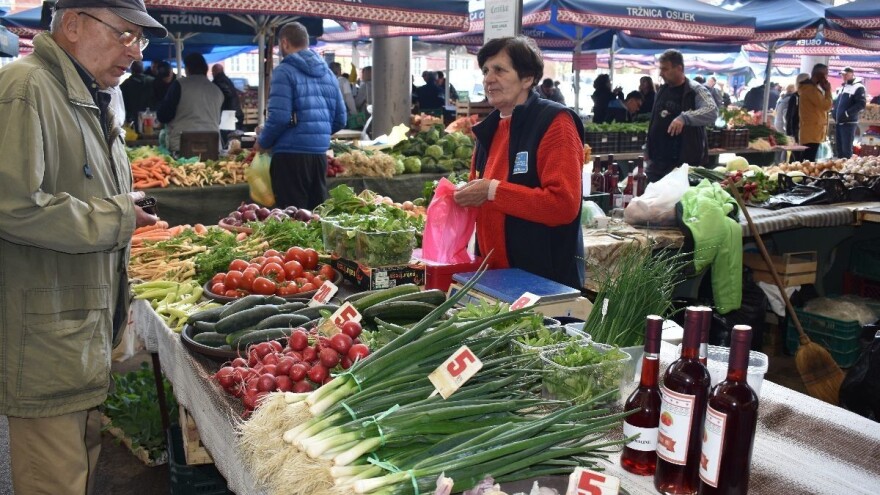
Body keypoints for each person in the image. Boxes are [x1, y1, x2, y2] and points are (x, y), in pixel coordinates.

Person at [0, 1, 163, 493]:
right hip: (45, 340)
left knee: (79, 471)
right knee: (54, 479)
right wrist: (117, 215)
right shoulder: (27, 88)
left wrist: (122, 202)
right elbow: (13, 205)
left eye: (141, 40)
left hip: (78, 334)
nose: (133, 53)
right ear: (72, 24)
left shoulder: (86, 95)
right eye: (124, 35)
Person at [452, 36, 585, 290]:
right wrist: (459, 194)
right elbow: (479, 190)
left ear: (527, 78)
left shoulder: (554, 123)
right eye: (486, 71)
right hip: (492, 277)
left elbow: (563, 205)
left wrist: (492, 191)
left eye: (500, 70)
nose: (489, 79)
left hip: (542, 281)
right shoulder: (488, 130)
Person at [255, 22, 346, 210]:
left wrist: (263, 142)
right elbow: (340, 119)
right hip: (319, 155)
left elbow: (279, 117)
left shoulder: (284, 71)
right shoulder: (328, 74)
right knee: (315, 216)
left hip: (290, 156)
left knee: (291, 217)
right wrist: (316, 133)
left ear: (285, 43)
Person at [644, 50, 718, 182]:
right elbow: (655, 120)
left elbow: (711, 110)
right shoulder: (662, 90)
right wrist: (648, 147)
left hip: (683, 165)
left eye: (665, 69)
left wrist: (684, 118)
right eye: (661, 69)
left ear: (679, 68)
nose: (661, 73)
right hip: (657, 163)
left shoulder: (695, 89)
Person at [157, 52, 224, 154]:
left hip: (183, 146)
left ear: (187, 69)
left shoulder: (179, 85)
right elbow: (218, 120)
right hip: (212, 146)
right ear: (205, 68)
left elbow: (164, 115)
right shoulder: (217, 90)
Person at [798, 63, 833, 162]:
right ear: (820, 75)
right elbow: (826, 106)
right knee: (808, 160)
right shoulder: (810, 90)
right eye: (826, 74)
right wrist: (828, 91)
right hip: (812, 132)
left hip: (813, 131)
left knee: (808, 158)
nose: (826, 78)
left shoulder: (811, 89)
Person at [833, 67, 866, 159]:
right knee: (839, 149)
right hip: (839, 122)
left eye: (846, 74)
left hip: (849, 122)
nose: (844, 76)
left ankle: (846, 170)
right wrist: (834, 112)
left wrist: (847, 113)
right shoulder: (842, 87)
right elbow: (837, 103)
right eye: (842, 75)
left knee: (846, 150)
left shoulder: (858, 87)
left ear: (852, 74)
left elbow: (861, 104)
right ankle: (839, 169)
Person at [119, 59, 154, 129]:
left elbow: (121, 103)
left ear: (131, 69)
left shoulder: (125, 84)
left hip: (131, 119)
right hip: (150, 119)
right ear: (143, 69)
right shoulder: (153, 81)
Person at [211, 63, 244, 131]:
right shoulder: (226, 79)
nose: (212, 73)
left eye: (213, 71)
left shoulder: (219, 81)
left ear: (215, 71)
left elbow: (228, 94)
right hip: (234, 112)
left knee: (228, 137)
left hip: (229, 114)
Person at [784, 73, 810, 148]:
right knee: (797, 154)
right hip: (796, 130)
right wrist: (790, 133)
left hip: (802, 130)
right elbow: (790, 116)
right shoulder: (795, 97)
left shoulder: (804, 96)